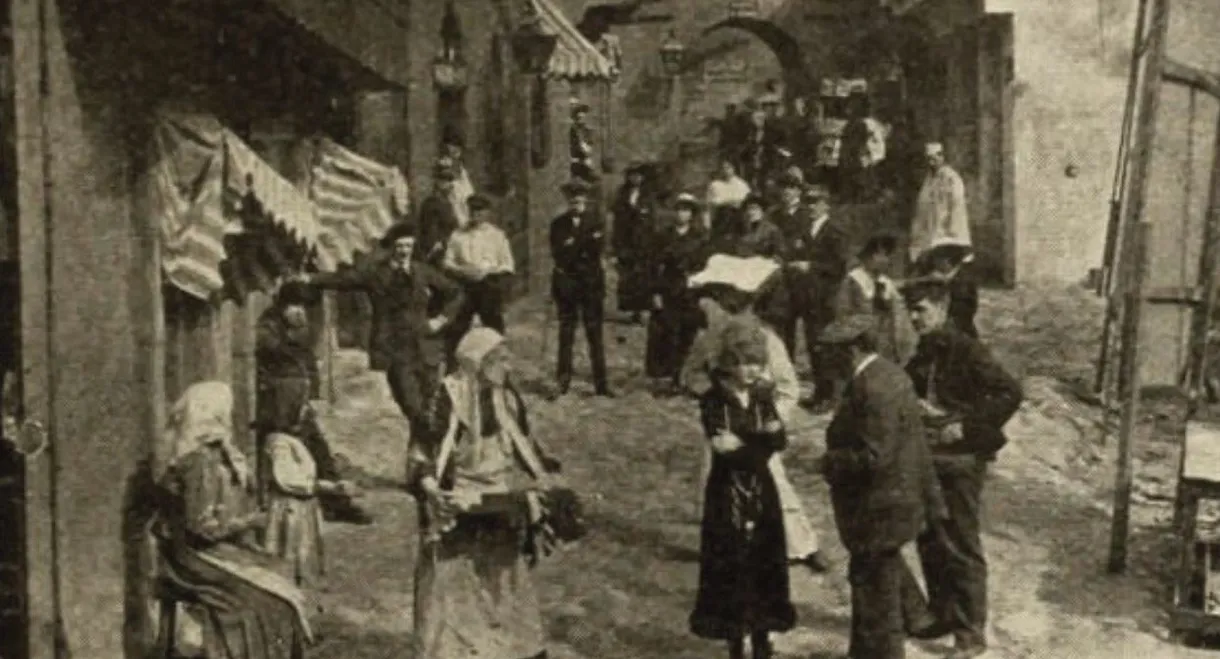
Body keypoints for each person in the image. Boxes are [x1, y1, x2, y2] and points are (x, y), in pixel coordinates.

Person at [407, 328, 561, 659]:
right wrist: (431, 488)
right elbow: (424, 452)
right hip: (457, 502)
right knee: (455, 589)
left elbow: (523, 444)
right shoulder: (446, 398)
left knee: (504, 584)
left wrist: (540, 479)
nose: (509, 365)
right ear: (479, 362)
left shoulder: (507, 399)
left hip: (499, 501)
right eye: (501, 359)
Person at [681, 257, 828, 573]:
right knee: (717, 486)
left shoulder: (767, 340)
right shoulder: (708, 339)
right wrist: (714, 395)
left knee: (774, 483)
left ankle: (801, 545)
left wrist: (772, 416)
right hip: (723, 424)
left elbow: (789, 387)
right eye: (722, 301)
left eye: (736, 303)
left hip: (758, 424)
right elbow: (691, 375)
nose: (729, 309)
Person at [903, 280, 1023, 659]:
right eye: (910, 309)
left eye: (920, 309)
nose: (913, 316)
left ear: (941, 310)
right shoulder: (925, 348)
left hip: (961, 460)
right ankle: (943, 613)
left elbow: (1010, 392)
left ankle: (971, 633)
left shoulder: (967, 349)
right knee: (929, 537)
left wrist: (967, 426)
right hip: (930, 455)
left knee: (959, 544)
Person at [154, 381, 313, 659]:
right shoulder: (199, 461)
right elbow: (201, 528)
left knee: (279, 576)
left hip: (204, 550)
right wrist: (249, 522)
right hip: (192, 558)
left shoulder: (214, 453)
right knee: (272, 604)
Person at [817, 315, 945, 659]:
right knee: (869, 583)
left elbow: (875, 455)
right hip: (892, 502)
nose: (826, 359)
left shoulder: (872, 387)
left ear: (854, 349)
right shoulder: (887, 373)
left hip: (879, 508)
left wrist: (831, 461)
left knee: (877, 598)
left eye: (833, 352)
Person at [294, 222, 465, 442]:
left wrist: (441, 319)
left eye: (409, 246)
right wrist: (311, 279)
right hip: (393, 348)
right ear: (392, 247)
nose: (404, 251)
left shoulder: (422, 271)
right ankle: (430, 451)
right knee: (413, 407)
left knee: (428, 405)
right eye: (400, 246)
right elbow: (344, 280)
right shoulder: (376, 273)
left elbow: (455, 292)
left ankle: (427, 467)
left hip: (424, 347)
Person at [690, 316, 796, 659]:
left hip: (762, 489)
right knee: (731, 562)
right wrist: (760, 438)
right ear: (729, 362)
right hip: (727, 490)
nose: (751, 370)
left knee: (764, 560)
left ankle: (763, 637)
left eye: (756, 363)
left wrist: (749, 440)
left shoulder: (763, 396)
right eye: (743, 362)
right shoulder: (714, 400)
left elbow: (778, 442)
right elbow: (724, 449)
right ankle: (735, 639)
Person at [255, 281, 372, 524]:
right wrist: (293, 337)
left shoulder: (297, 328)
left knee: (320, 451)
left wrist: (312, 397)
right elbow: (274, 352)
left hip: (298, 403)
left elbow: (308, 364)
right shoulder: (269, 326)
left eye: (302, 307)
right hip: (277, 407)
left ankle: (338, 504)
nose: (299, 311)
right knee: (284, 454)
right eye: (294, 306)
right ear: (283, 305)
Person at [264, 402, 359, 586]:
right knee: (289, 557)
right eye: (303, 417)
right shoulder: (279, 442)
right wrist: (325, 487)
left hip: (304, 506)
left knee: (305, 555)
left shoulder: (294, 440)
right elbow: (286, 479)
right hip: (290, 508)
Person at [780, 182, 847, 411]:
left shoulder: (833, 231)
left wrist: (811, 266)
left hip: (825, 298)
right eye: (808, 202)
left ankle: (828, 397)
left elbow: (838, 266)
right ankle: (820, 393)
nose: (811, 207)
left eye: (816, 203)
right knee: (812, 345)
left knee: (824, 347)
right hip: (807, 297)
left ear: (826, 206)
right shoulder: (805, 230)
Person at [550, 179, 613, 397]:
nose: (575, 201)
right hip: (567, 284)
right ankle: (563, 381)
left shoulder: (597, 222)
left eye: (579, 197)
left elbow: (596, 250)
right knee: (566, 334)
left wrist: (573, 244)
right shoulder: (558, 224)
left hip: (591, 284)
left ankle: (601, 384)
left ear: (585, 198)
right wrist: (583, 242)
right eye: (571, 198)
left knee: (595, 334)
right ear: (567, 200)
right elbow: (559, 254)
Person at [645, 193, 710, 393]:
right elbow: (654, 265)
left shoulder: (700, 237)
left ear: (692, 214)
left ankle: (679, 377)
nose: (682, 214)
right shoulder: (663, 236)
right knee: (666, 334)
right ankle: (663, 378)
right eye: (679, 209)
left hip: (691, 291)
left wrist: (700, 285)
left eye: (686, 210)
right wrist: (655, 293)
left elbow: (705, 265)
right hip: (668, 289)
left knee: (687, 334)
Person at [442, 194, 516, 364]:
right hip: (464, 286)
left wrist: (489, 271)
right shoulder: (458, 234)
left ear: (487, 213)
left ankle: (496, 369)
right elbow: (447, 262)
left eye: (480, 212)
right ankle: (453, 370)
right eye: (473, 211)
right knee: (457, 328)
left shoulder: (497, 235)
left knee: (493, 330)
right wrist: (461, 270)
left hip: (488, 286)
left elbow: (507, 264)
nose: (476, 215)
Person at [835, 234, 916, 365]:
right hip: (860, 341)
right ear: (867, 257)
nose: (883, 260)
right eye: (878, 255)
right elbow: (842, 313)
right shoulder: (853, 280)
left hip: (885, 342)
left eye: (886, 255)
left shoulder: (885, 282)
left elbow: (900, 315)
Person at [909, 142, 971, 264]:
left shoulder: (951, 178)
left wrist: (952, 230)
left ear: (942, 157)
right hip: (930, 228)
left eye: (934, 158)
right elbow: (922, 206)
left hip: (946, 229)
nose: (931, 163)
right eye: (929, 159)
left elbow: (957, 204)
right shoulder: (929, 179)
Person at [611, 163, 658, 324]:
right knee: (628, 276)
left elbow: (652, 221)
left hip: (644, 243)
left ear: (642, 178)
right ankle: (632, 310)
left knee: (644, 277)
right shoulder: (622, 194)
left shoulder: (648, 195)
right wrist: (616, 247)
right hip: (626, 242)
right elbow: (618, 221)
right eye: (632, 175)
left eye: (638, 175)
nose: (635, 178)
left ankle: (643, 311)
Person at [914, 240, 980, 338]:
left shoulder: (963, 282)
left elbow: (961, 314)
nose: (934, 264)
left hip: (959, 335)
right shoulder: (948, 277)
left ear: (946, 261)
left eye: (936, 259)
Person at [418, 164, 463, 265]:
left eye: (450, 181)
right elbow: (429, 229)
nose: (450, 184)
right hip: (439, 249)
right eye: (444, 181)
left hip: (453, 246)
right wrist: (438, 244)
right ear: (437, 182)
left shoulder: (451, 202)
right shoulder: (432, 203)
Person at [704, 159, 752, 242]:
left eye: (728, 167)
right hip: (720, 220)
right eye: (723, 168)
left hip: (738, 221)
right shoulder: (715, 185)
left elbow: (748, 204)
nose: (726, 171)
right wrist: (707, 224)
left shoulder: (742, 185)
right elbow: (708, 206)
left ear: (734, 168)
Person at [570, 102, 597, 183]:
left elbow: (590, 146)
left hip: (586, 160)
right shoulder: (573, 130)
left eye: (583, 115)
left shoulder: (588, 131)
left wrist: (587, 150)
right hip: (576, 161)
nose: (581, 117)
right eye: (578, 117)